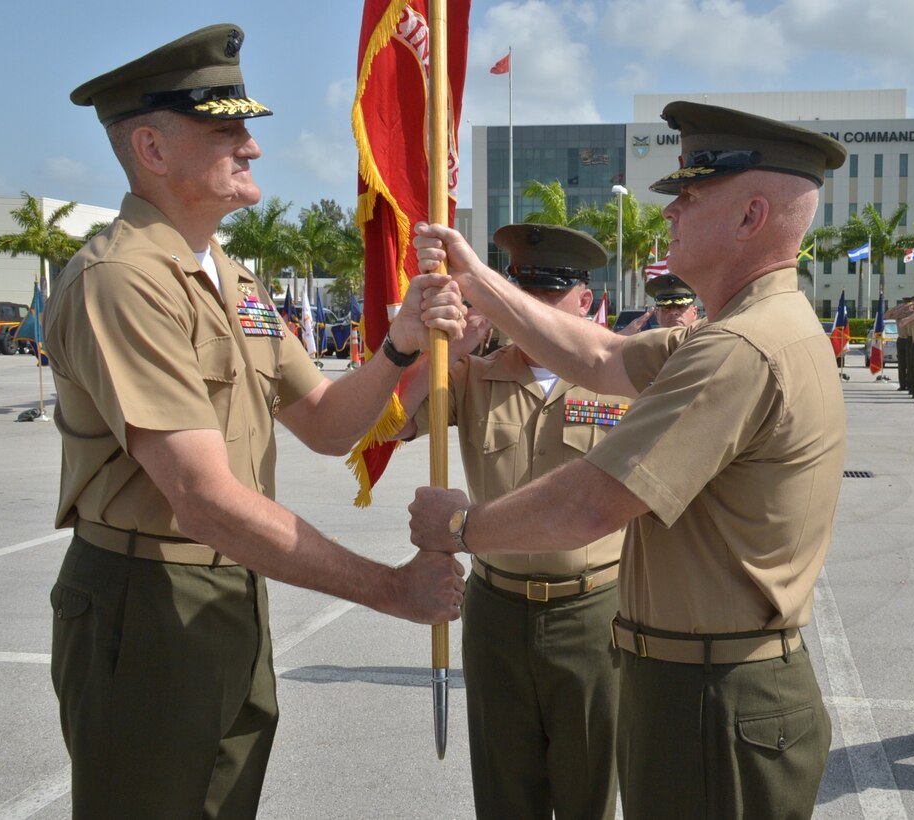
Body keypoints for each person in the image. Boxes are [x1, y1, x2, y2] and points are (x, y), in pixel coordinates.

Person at [45, 24, 467, 819]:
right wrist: (392, 590)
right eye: (225, 127)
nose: (253, 146)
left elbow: (328, 423)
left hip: (229, 591)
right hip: (148, 601)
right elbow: (201, 497)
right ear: (153, 148)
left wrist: (402, 345)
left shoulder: (233, 278)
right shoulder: (123, 280)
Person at [408, 101, 848, 818]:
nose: (670, 213)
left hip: (715, 693)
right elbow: (602, 355)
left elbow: (592, 504)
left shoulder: (738, 349)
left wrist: (462, 529)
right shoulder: (747, 331)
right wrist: (480, 279)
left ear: (750, 217)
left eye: (691, 196)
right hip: (701, 681)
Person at [395, 224, 628, 819]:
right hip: (497, 612)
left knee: (589, 794)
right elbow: (385, 423)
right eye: (521, 290)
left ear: (583, 297)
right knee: (504, 795)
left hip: (591, 614)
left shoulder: (623, 378)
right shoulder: (474, 375)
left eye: (549, 296)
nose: (532, 310)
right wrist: (442, 354)